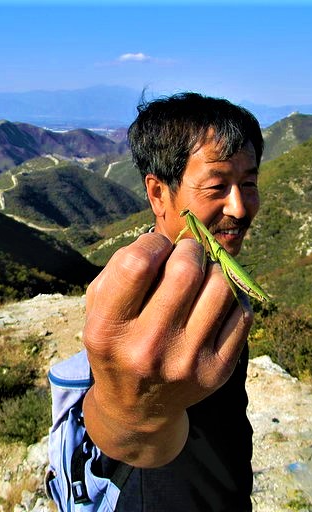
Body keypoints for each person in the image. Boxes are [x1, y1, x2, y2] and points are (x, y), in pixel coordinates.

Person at [82, 92, 264, 511]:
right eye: (216, 186)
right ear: (158, 193)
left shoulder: (212, 280)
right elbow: (116, 424)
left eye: (249, 183)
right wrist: (128, 416)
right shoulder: (131, 297)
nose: (239, 207)